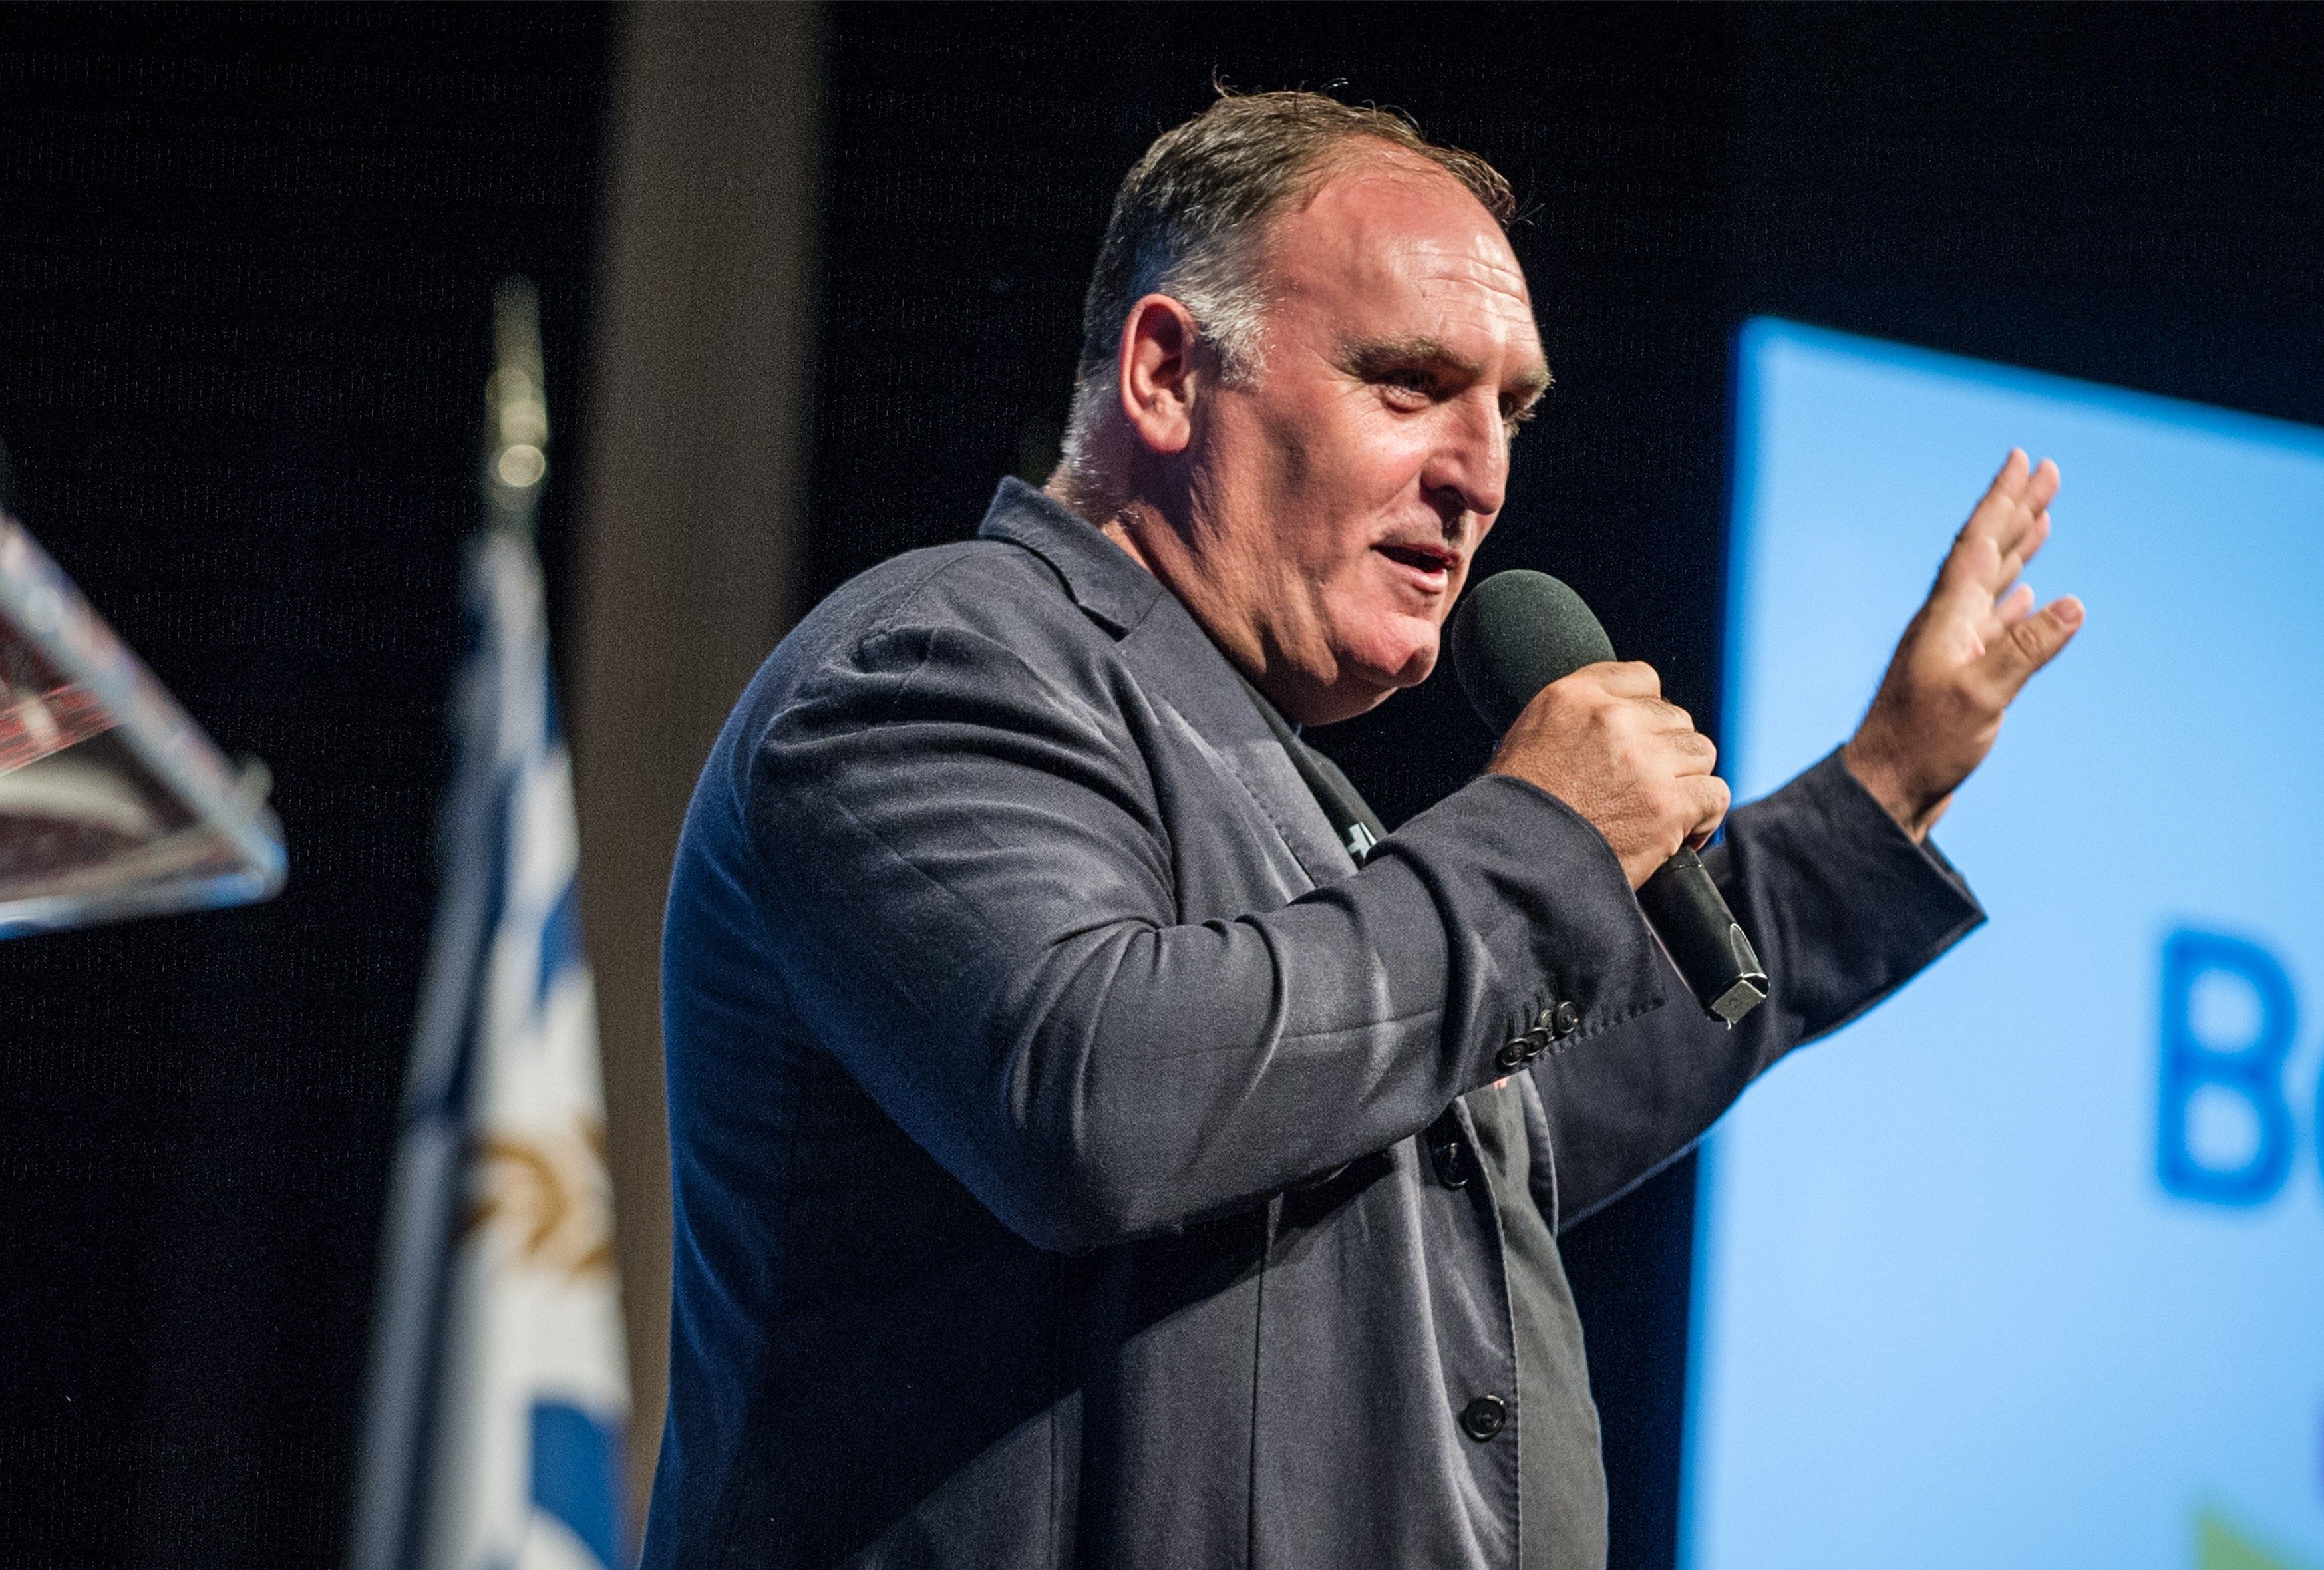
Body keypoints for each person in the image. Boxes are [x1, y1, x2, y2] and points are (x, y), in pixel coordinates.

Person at [641, 90, 2081, 1570]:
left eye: (1509, 411)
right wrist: (1541, 844)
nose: (1482, 477)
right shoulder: (935, 663)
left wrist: (1876, 796)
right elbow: (1094, 1089)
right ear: (1164, 373)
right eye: (1410, 384)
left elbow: (1481, 1125)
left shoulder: (1276, 791)